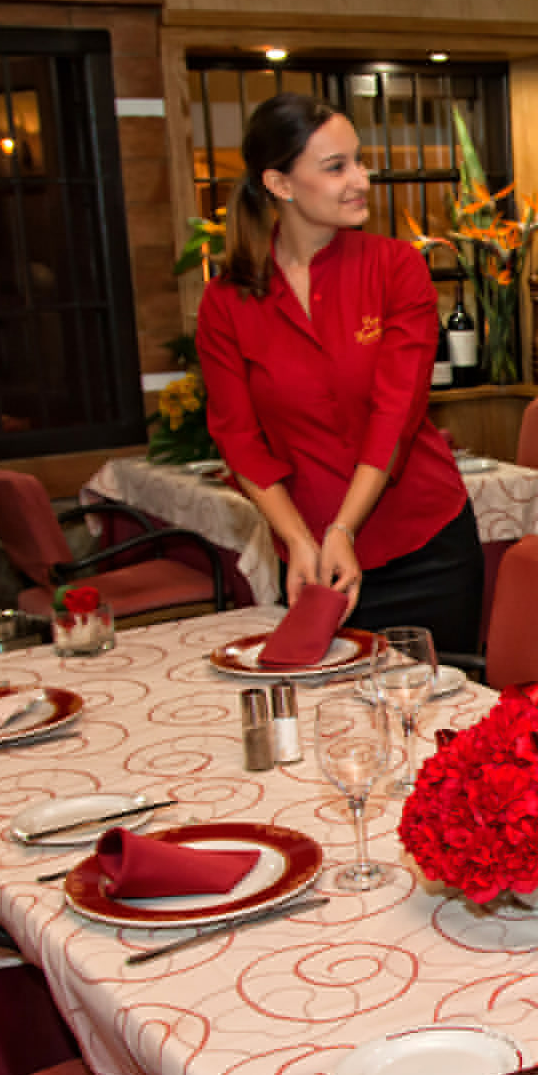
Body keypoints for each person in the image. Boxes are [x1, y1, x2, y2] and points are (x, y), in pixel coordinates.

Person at [196, 92, 483, 654]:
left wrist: (343, 528)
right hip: (315, 564)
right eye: (336, 167)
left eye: (359, 160)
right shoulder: (226, 300)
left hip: (425, 547)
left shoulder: (396, 268)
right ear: (279, 183)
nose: (361, 180)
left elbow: (395, 415)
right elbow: (238, 437)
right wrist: (297, 538)